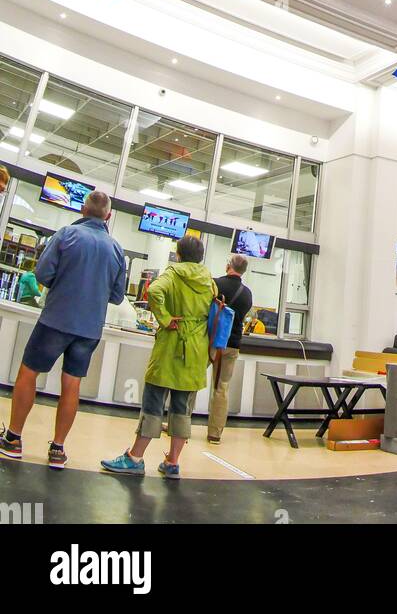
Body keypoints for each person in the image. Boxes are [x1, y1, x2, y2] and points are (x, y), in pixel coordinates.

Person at [0, 190, 126, 468]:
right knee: (72, 383)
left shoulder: (66, 235)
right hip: (90, 328)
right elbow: (117, 296)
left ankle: (13, 439)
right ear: (108, 215)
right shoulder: (117, 250)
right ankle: (58, 449)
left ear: (83, 210)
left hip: (56, 320)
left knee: (28, 373)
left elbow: (43, 275)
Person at [101, 233, 214, 480]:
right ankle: (173, 462)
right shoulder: (209, 281)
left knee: (153, 403)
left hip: (170, 347)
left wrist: (165, 318)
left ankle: (134, 458)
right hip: (196, 351)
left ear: (179, 254)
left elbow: (154, 292)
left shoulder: (173, 274)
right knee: (183, 409)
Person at [206, 253, 253, 444]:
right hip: (232, 344)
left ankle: (180, 423)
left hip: (210, 341)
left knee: (192, 381)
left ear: (228, 266)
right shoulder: (247, 293)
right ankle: (215, 433)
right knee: (222, 387)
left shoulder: (215, 284)